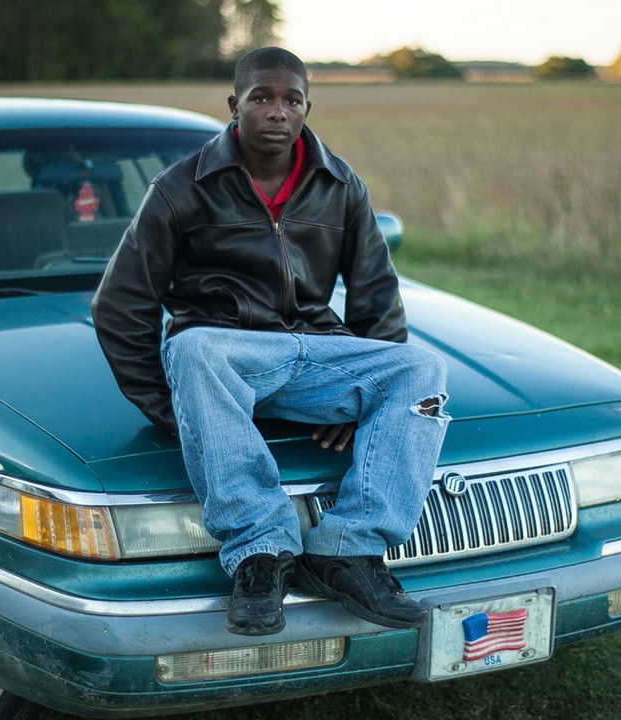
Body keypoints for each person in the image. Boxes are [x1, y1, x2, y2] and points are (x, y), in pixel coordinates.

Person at [91, 47, 449, 636]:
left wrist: (361, 401)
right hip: (228, 357)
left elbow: (377, 297)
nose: (277, 112)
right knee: (194, 348)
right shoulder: (181, 188)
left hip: (314, 353)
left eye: (291, 100)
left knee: (420, 368)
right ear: (235, 105)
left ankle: (349, 550)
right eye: (261, 98)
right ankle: (262, 552)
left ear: (307, 108)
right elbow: (119, 304)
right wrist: (175, 409)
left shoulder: (340, 185)